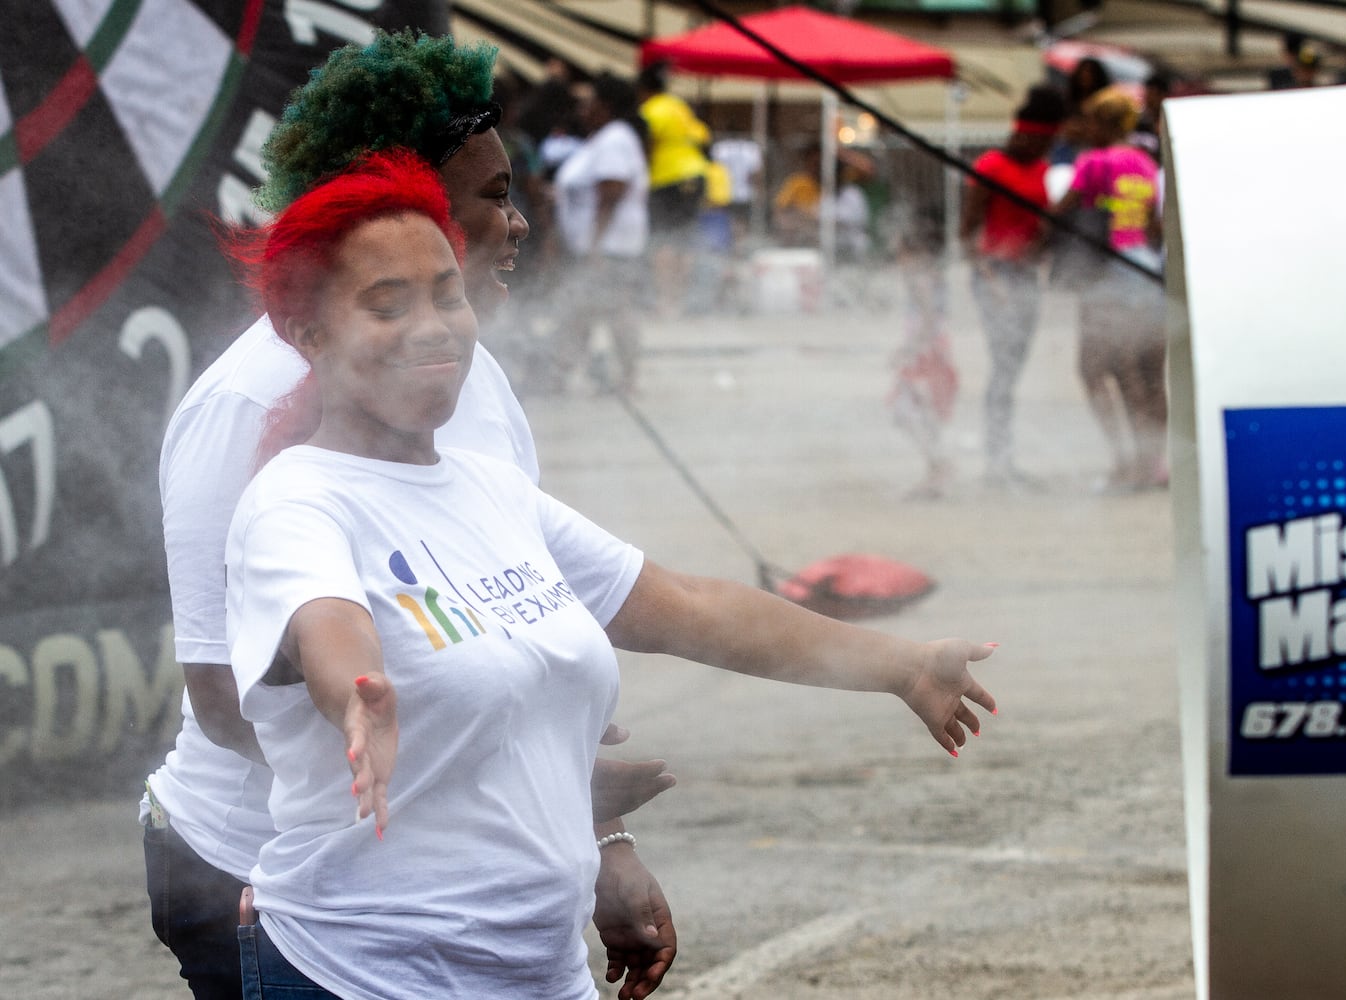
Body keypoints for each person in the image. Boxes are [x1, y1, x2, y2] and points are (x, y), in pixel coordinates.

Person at [224, 147, 998, 999]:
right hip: (359, 972)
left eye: (447, 293)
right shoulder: (297, 501)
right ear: (308, 331)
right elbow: (326, 618)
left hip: (540, 972)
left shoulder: (490, 489)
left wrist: (904, 667)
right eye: (386, 305)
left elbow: (691, 606)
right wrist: (357, 695)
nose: (434, 325)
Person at [142, 31, 675, 1000]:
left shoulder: (477, 380)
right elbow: (224, 697)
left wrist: (598, 838)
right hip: (254, 881)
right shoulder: (244, 406)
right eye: (491, 198)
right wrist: (470, 786)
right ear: (401, 208)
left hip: (441, 883)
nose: (518, 224)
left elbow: (515, 640)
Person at [1051, 87, 1166, 492]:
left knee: (1096, 369)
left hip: (1106, 273)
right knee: (1147, 372)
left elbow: (1062, 210)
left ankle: (1125, 460)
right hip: (1145, 269)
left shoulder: (1094, 162)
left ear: (1103, 123)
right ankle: (1155, 460)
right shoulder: (1145, 163)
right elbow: (1155, 223)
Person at [959, 85, 1067, 488]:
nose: (1047, 148)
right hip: (994, 275)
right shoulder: (990, 167)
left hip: (1025, 277)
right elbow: (966, 235)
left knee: (1013, 369)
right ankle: (997, 460)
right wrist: (991, 280)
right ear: (1025, 134)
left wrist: (1043, 242)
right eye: (1044, 140)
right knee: (1003, 368)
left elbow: (1039, 229)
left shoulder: (1042, 171)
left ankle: (1004, 458)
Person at [550, 73, 651, 395]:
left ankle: (623, 377)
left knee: (610, 310)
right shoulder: (603, 139)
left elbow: (611, 191)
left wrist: (595, 244)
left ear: (605, 106)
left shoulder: (614, 139)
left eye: (590, 101)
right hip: (600, 246)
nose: (583, 108)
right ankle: (564, 373)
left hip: (609, 247)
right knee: (585, 310)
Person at [889, 206, 957, 500]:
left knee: (907, 410)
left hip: (926, 352)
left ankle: (938, 468)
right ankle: (935, 470)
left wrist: (910, 349)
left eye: (901, 252)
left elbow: (928, 318)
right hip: (932, 348)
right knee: (921, 411)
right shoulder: (931, 275)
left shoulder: (920, 279)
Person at [637, 61, 712, 317]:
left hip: (667, 178)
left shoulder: (650, 110)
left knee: (664, 241)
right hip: (696, 174)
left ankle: (665, 301)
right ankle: (680, 301)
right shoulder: (679, 106)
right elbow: (703, 136)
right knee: (684, 241)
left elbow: (647, 146)